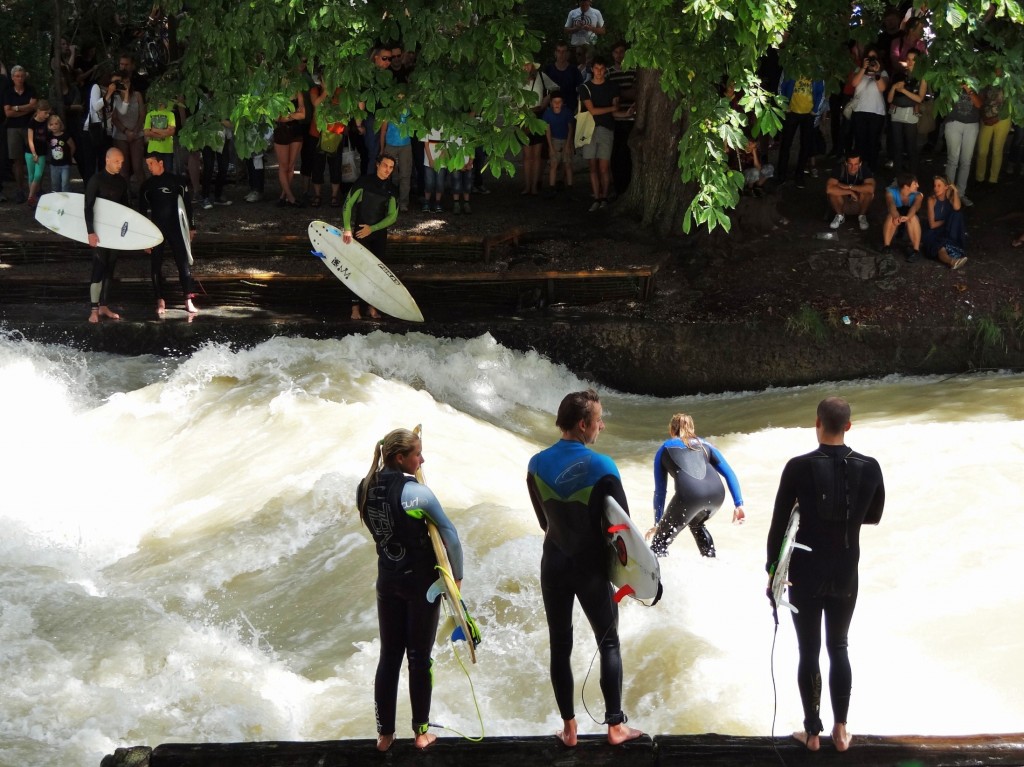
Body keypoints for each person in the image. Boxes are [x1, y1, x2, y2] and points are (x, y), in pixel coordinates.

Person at [765, 396, 884, 753]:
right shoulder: (871, 466)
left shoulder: (797, 467)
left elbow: (777, 529)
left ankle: (813, 734)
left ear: (817, 423)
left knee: (809, 650)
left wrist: (773, 573)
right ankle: (842, 731)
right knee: (839, 646)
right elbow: (874, 515)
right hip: (846, 570)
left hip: (806, 572)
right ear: (849, 426)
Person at [526, 389, 644, 747]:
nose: (602, 425)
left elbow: (543, 521)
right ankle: (615, 726)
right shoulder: (603, 466)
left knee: (559, 645)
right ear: (583, 424)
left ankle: (569, 729)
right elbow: (624, 531)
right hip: (590, 567)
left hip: (554, 563)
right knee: (608, 643)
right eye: (598, 420)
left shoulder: (535, 464)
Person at [356, 428, 463, 752]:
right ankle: (421, 733)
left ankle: (384, 736)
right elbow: (451, 537)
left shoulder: (364, 487)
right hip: (421, 586)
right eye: (417, 454)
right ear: (401, 458)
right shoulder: (418, 493)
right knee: (419, 658)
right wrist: (456, 579)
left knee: (389, 656)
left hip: (387, 581)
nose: (422, 459)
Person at [646, 413, 745, 558]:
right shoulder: (706, 445)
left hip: (689, 497)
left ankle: (660, 579)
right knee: (696, 523)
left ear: (671, 430)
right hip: (717, 495)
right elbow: (730, 474)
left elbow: (660, 492)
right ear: (692, 428)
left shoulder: (665, 448)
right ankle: (711, 564)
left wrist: (658, 523)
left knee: (659, 544)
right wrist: (739, 504)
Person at [138, 153, 197, 315]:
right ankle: (160, 300)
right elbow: (142, 214)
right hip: (156, 231)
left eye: (151, 163)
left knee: (182, 263)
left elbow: (187, 205)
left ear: (161, 163)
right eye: (147, 164)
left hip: (176, 228)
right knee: (155, 265)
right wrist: (144, 238)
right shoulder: (147, 186)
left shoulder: (176, 181)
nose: (149, 167)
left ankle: (188, 299)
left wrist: (191, 227)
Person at [342, 153, 398, 319]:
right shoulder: (364, 182)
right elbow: (347, 204)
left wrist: (372, 229)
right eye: (385, 166)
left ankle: (372, 305)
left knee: (377, 272)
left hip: (378, 234)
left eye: (391, 168)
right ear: (377, 165)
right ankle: (355, 307)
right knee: (357, 270)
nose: (388, 170)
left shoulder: (392, 189)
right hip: (359, 232)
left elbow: (392, 216)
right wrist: (347, 229)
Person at [84, 147, 130, 323]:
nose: (120, 165)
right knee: (99, 267)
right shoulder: (96, 180)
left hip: (115, 233)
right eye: (117, 161)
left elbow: (126, 209)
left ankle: (104, 305)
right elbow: (88, 207)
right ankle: (93, 309)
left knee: (110, 269)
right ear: (107, 159)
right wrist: (90, 232)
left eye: (122, 162)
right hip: (99, 232)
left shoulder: (121, 182)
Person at [578, 57, 626, 212]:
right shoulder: (585, 87)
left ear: (605, 70)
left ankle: (603, 197)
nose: (599, 72)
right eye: (596, 68)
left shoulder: (612, 87)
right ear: (592, 69)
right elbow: (593, 110)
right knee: (592, 166)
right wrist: (611, 109)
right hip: (589, 130)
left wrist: (623, 113)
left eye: (601, 68)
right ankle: (597, 197)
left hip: (606, 129)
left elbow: (615, 109)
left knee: (604, 167)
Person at [775, 73, 826, 188]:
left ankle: (799, 176)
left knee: (805, 146)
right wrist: (784, 105)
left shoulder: (817, 69)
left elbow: (821, 92)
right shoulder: (792, 66)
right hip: (791, 112)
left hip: (808, 114)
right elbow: (781, 87)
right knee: (785, 145)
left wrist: (815, 109)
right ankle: (781, 176)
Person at [2, 65, 39, 204]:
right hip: (12, 129)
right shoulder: (8, 92)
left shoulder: (31, 89)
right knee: (17, 160)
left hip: (30, 127)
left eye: (22, 76)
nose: (20, 78)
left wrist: (16, 108)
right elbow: (8, 113)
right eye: (17, 76)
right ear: (12, 77)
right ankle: (20, 190)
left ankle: (36, 189)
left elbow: (34, 106)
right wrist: (27, 108)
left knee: (34, 157)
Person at [848, 46, 888, 173]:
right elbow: (854, 83)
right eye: (869, 58)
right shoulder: (858, 70)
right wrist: (863, 68)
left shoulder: (883, 73)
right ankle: (859, 169)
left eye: (874, 58)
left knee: (873, 141)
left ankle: (872, 168)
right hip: (860, 111)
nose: (871, 60)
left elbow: (882, 88)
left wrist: (876, 72)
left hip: (876, 112)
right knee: (860, 141)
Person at [886, 50, 926, 176]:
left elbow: (920, 98)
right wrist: (894, 88)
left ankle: (912, 178)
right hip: (896, 111)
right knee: (897, 146)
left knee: (911, 146)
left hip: (910, 112)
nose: (909, 62)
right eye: (907, 58)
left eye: (912, 59)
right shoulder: (899, 75)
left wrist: (903, 90)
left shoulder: (922, 77)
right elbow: (890, 99)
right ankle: (897, 177)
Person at [943, 83, 982, 207]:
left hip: (972, 125)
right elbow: (945, 101)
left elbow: (979, 104)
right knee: (952, 160)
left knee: (966, 161)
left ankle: (960, 194)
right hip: (954, 123)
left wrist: (968, 89)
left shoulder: (980, 81)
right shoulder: (952, 78)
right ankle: (948, 193)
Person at [110, 72, 146, 197]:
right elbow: (114, 118)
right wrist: (126, 131)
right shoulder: (115, 98)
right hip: (120, 134)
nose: (125, 85)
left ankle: (144, 194)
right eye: (122, 83)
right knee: (123, 169)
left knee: (138, 168)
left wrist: (135, 131)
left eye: (127, 82)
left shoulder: (137, 95)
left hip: (137, 133)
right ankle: (126, 196)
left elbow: (142, 113)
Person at [922, 174, 967, 270]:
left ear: (946, 187)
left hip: (947, 230)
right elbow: (932, 225)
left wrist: (955, 191)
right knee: (940, 247)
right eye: (935, 185)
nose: (936, 188)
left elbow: (957, 208)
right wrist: (947, 221)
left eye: (939, 185)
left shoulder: (950, 199)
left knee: (957, 214)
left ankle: (953, 256)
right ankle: (952, 262)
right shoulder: (932, 200)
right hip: (933, 231)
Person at [826, 151, 875, 230]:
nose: (853, 167)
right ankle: (840, 216)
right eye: (850, 164)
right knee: (833, 193)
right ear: (846, 163)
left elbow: (871, 188)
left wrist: (849, 187)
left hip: (858, 202)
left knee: (868, 193)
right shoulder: (839, 168)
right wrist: (850, 192)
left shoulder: (864, 169)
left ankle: (862, 216)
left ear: (860, 163)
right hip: (842, 202)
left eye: (856, 164)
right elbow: (829, 189)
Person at [882, 172, 923, 262]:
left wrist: (907, 217)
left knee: (913, 218)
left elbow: (915, 207)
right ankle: (886, 247)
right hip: (896, 222)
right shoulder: (890, 192)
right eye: (914, 184)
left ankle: (916, 250)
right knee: (890, 216)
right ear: (906, 186)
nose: (918, 185)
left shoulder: (918, 195)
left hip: (909, 222)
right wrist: (896, 216)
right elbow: (891, 205)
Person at [542, 91, 574, 197]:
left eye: (559, 102)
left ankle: (570, 188)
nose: (557, 104)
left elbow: (570, 129)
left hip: (566, 139)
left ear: (562, 102)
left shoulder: (567, 112)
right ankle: (552, 188)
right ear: (550, 103)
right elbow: (548, 131)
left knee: (568, 164)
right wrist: (550, 147)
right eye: (554, 102)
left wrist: (568, 145)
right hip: (554, 140)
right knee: (553, 164)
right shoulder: (547, 114)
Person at [24, 98, 52, 207]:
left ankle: (30, 196)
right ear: (39, 111)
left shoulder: (47, 122)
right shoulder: (32, 122)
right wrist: (34, 153)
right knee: (31, 175)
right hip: (30, 153)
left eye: (48, 113)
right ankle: (33, 199)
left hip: (42, 153)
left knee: (38, 174)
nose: (47, 115)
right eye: (45, 113)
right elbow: (30, 140)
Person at [46, 114, 76, 193]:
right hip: (54, 165)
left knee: (65, 184)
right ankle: (56, 201)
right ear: (49, 126)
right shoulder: (49, 136)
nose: (54, 126)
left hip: (65, 164)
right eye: (51, 124)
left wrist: (70, 156)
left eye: (56, 124)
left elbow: (72, 146)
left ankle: (65, 201)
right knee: (55, 185)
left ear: (60, 124)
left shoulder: (65, 135)